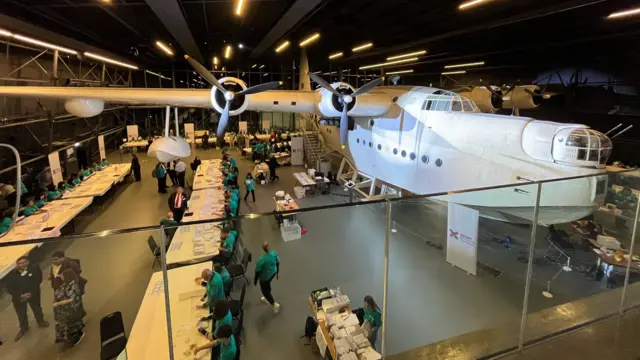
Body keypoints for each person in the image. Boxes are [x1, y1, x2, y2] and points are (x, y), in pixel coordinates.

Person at [5, 256, 49, 341]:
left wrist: (31, 293)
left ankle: (41, 321)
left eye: (23, 263)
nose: (21, 265)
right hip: (19, 298)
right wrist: (21, 295)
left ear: (27, 262)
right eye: (19, 263)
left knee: (37, 308)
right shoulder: (11, 275)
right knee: (21, 313)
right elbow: (9, 289)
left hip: (33, 294)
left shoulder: (34, 269)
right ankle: (24, 328)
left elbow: (38, 280)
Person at [52, 268, 85, 347]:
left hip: (70, 310)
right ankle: (66, 337)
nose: (61, 277)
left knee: (72, 325)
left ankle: (76, 337)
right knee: (65, 325)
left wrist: (58, 303)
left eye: (63, 275)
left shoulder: (72, 285)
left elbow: (71, 299)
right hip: (64, 311)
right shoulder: (65, 284)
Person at [254, 242, 281, 313]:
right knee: (267, 286)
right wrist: (277, 270)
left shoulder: (262, 259)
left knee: (264, 290)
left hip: (265, 277)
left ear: (263, 249)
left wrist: (255, 280)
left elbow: (257, 271)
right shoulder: (274, 253)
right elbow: (278, 261)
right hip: (273, 272)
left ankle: (274, 304)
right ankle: (268, 296)